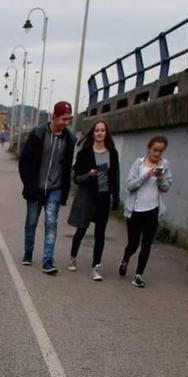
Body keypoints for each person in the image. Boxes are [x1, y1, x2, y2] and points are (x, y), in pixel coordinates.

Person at [18, 101, 76, 274]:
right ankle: (28, 252)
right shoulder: (37, 134)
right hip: (36, 187)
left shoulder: (70, 139)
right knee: (31, 222)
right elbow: (24, 162)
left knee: (51, 223)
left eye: (69, 119)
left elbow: (66, 167)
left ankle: (47, 260)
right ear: (55, 117)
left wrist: (64, 190)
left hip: (55, 188)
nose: (66, 123)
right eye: (64, 119)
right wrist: (29, 185)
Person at [66, 120, 119, 281]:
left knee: (100, 233)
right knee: (81, 229)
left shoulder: (112, 153)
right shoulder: (85, 153)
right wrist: (89, 175)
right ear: (93, 133)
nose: (100, 133)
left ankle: (96, 267)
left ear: (106, 133)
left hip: (103, 195)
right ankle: (73, 257)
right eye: (97, 130)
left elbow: (115, 176)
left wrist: (115, 196)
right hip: (87, 195)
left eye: (103, 130)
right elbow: (76, 178)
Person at [119, 135, 173, 288]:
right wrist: (147, 174)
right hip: (135, 210)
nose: (157, 154)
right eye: (155, 150)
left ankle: (138, 275)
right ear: (149, 148)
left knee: (147, 244)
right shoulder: (139, 163)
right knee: (134, 243)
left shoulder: (165, 165)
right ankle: (125, 259)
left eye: (160, 151)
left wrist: (160, 177)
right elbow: (130, 185)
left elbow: (167, 187)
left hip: (153, 209)